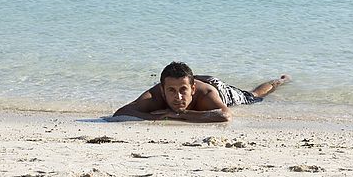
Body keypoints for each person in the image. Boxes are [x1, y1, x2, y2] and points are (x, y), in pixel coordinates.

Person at [113, 61, 290, 123]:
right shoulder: (155, 95)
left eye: (183, 91)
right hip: (188, 78)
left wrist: (181, 114)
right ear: (162, 90)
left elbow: (225, 115)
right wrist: (158, 117)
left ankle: (280, 80)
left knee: (252, 96)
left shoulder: (205, 95)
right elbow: (121, 113)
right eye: (171, 91)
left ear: (192, 89)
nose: (178, 97)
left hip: (217, 88)